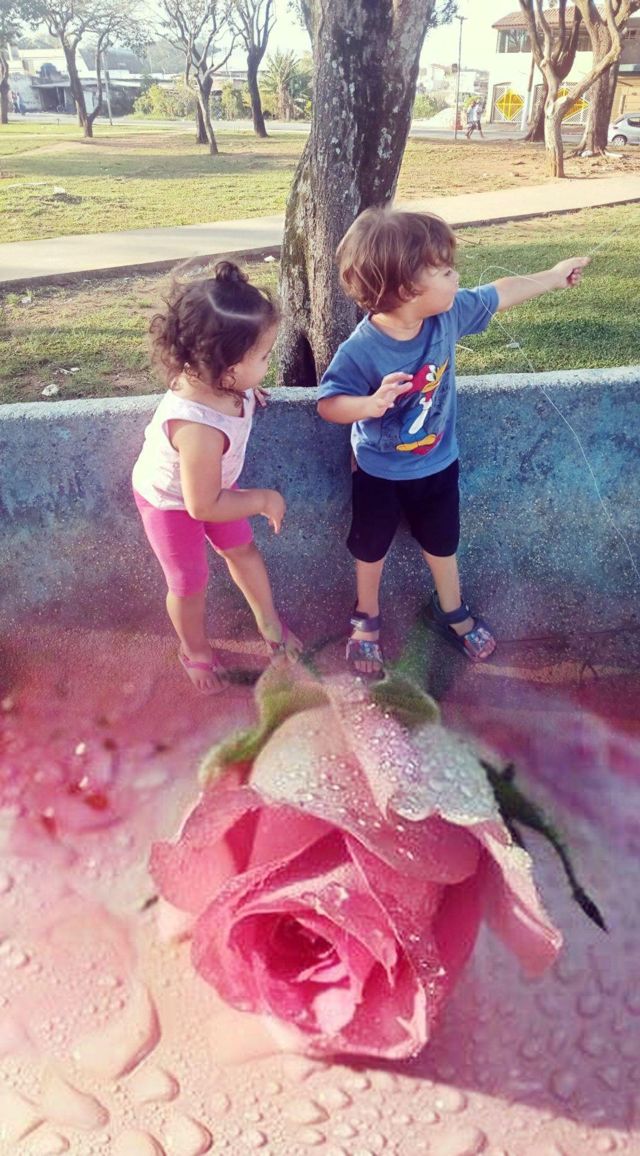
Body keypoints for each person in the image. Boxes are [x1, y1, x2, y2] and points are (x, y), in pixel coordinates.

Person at [317, 208, 589, 676]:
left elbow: (499, 292)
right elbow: (329, 404)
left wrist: (553, 275)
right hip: (379, 472)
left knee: (443, 544)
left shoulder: (447, 315)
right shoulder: (362, 348)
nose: (457, 276)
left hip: (439, 464)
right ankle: (366, 614)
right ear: (408, 290)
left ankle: (451, 609)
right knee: (370, 548)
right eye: (444, 271)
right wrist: (368, 405)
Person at [132, 261, 301, 694]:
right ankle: (194, 649)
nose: (269, 363)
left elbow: (212, 496)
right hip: (173, 502)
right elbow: (201, 505)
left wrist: (247, 385)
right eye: (263, 357)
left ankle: (269, 624)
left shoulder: (221, 379)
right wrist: (262, 499)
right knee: (189, 583)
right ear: (225, 369)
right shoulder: (198, 428)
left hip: (216, 489)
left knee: (241, 549)